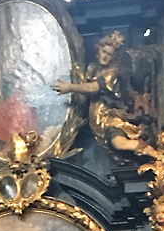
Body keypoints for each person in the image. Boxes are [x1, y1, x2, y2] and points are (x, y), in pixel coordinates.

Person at [53, 31, 157, 160]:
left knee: (119, 143)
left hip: (111, 116)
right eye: (104, 52)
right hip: (98, 119)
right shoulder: (92, 68)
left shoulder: (112, 73)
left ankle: (156, 156)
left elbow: (93, 88)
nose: (105, 56)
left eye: (109, 54)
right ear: (98, 51)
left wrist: (70, 87)